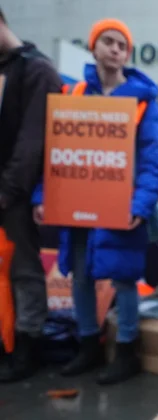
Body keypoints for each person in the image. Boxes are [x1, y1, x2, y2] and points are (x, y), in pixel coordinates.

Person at [31, 18, 158, 385]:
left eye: (122, 45)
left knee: (123, 279)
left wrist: (141, 204)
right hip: (76, 207)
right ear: (94, 47)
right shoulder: (72, 96)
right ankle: (87, 346)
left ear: (128, 54)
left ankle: (126, 351)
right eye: (108, 41)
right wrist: (43, 196)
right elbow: (53, 152)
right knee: (80, 277)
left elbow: (152, 160)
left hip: (120, 207)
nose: (115, 49)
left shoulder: (142, 101)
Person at [0, 6, 63, 383]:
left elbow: (34, 142)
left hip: (19, 196)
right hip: (11, 190)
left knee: (24, 271)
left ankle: (28, 346)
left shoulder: (37, 69)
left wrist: (8, 191)